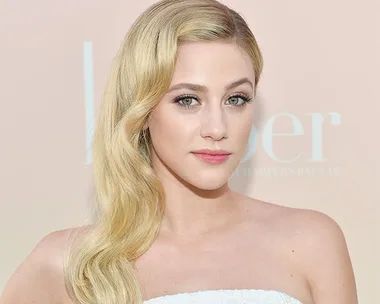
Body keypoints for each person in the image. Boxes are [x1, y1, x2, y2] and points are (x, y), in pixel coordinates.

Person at [0, 0, 358, 303]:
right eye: (188, 100)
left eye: (237, 99)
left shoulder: (313, 241)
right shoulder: (69, 264)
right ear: (141, 112)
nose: (218, 128)